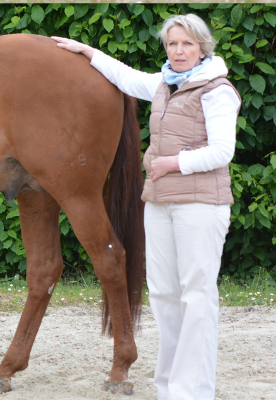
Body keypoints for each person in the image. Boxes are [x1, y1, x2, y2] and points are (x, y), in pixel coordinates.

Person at [52, 14, 240, 400]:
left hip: (201, 205)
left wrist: (173, 163)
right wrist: (86, 51)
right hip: (160, 204)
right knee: (165, 295)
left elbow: (224, 151)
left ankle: (192, 392)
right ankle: (169, 388)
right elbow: (125, 77)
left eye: (187, 44)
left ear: (203, 47)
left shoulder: (217, 90)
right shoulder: (163, 84)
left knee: (196, 297)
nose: (179, 51)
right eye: (172, 44)